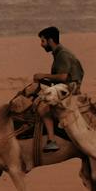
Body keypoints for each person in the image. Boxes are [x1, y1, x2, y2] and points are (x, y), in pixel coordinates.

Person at [32, 25, 85, 153]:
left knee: (43, 107)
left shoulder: (62, 54)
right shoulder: (59, 54)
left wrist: (43, 75)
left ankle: (51, 141)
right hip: (65, 86)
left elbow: (63, 76)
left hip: (68, 88)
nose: (41, 44)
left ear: (50, 40)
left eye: (43, 41)